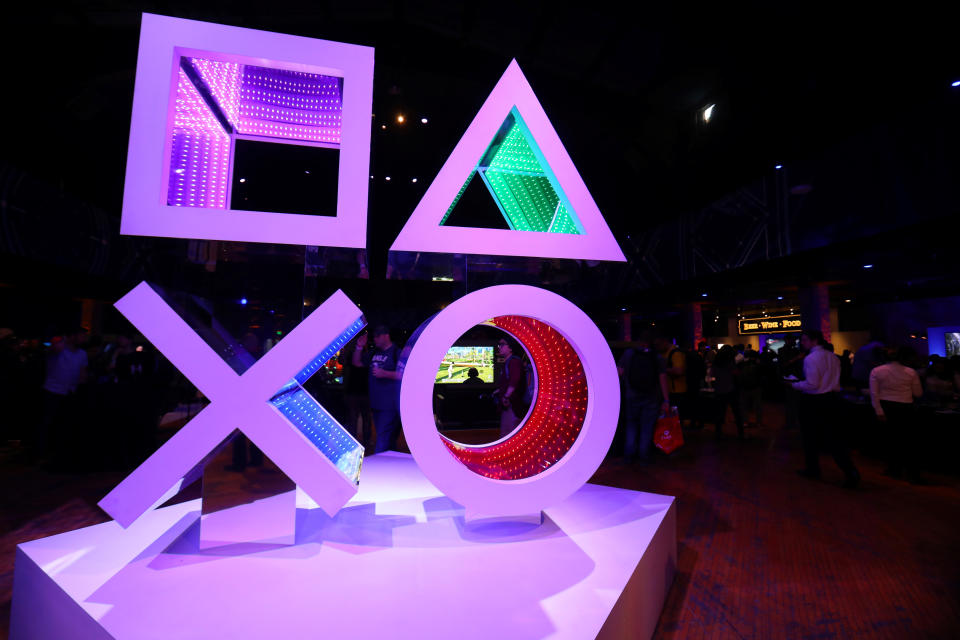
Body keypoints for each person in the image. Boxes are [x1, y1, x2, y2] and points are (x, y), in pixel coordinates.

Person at [792, 329, 860, 488]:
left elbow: (812, 384)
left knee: (810, 437)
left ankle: (813, 469)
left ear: (814, 340)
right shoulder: (833, 357)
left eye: (804, 340)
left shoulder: (811, 358)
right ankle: (851, 472)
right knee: (835, 439)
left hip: (814, 401)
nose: (802, 343)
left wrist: (794, 384)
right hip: (833, 400)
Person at [869, 346, 924, 482]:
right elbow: (918, 393)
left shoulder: (877, 371)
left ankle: (894, 469)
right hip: (906, 407)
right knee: (909, 441)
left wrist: (879, 411)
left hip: (887, 406)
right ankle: (913, 473)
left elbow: (874, 393)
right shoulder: (911, 372)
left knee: (891, 440)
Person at [617, 331, 670, 465]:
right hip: (651, 397)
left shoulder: (628, 354)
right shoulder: (657, 357)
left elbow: (619, 372)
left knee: (631, 425)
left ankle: (628, 456)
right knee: (647, 427)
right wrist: (666, 400)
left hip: (631, 395)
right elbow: (662, 378)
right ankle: (644, 457)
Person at [37, 328, 89, 460]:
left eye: (84, 336)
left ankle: (57, 451)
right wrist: (62, 339)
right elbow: (51, 349)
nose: (84, 339)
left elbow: (83, 373)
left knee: (63, 423)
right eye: (81, 336)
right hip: (52, 390)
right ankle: (40, 452)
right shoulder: (59, 349)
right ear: (72, 336)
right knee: (47, 422)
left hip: (70, 391)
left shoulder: (82, 353)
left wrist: (82, 384)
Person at [352, 326, 403, 453]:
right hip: (376, 402)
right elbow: (357, 363)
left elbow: (405, 375)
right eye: (374, 336)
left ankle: (377, 465)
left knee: (382, 437)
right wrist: (359, 347)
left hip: (390, 404)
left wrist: (385, 373)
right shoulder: (374, 352)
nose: (374, 339)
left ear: (386, 335)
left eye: (377, 336)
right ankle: (390, 465)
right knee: (387, 439)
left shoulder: (397, 352)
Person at [709, 345, 745, 438]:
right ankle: (741, 433)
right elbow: (736, 374)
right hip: (732, 390)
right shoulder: (730, 362)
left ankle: (718, 432)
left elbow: (712, 375)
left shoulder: (716, 363)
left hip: (719, 389)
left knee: (720, 412)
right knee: (737, 412)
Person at [493, 338, 525, 438]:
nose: (499, 347)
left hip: (512, 405)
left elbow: (514, 380)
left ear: (510, 348)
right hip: (508, 405)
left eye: (502, 344)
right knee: (506, 434)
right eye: (499, 344)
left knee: (509, 435)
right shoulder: (508, 362)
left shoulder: (514, 362)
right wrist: (499, 391)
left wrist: (506, 396)